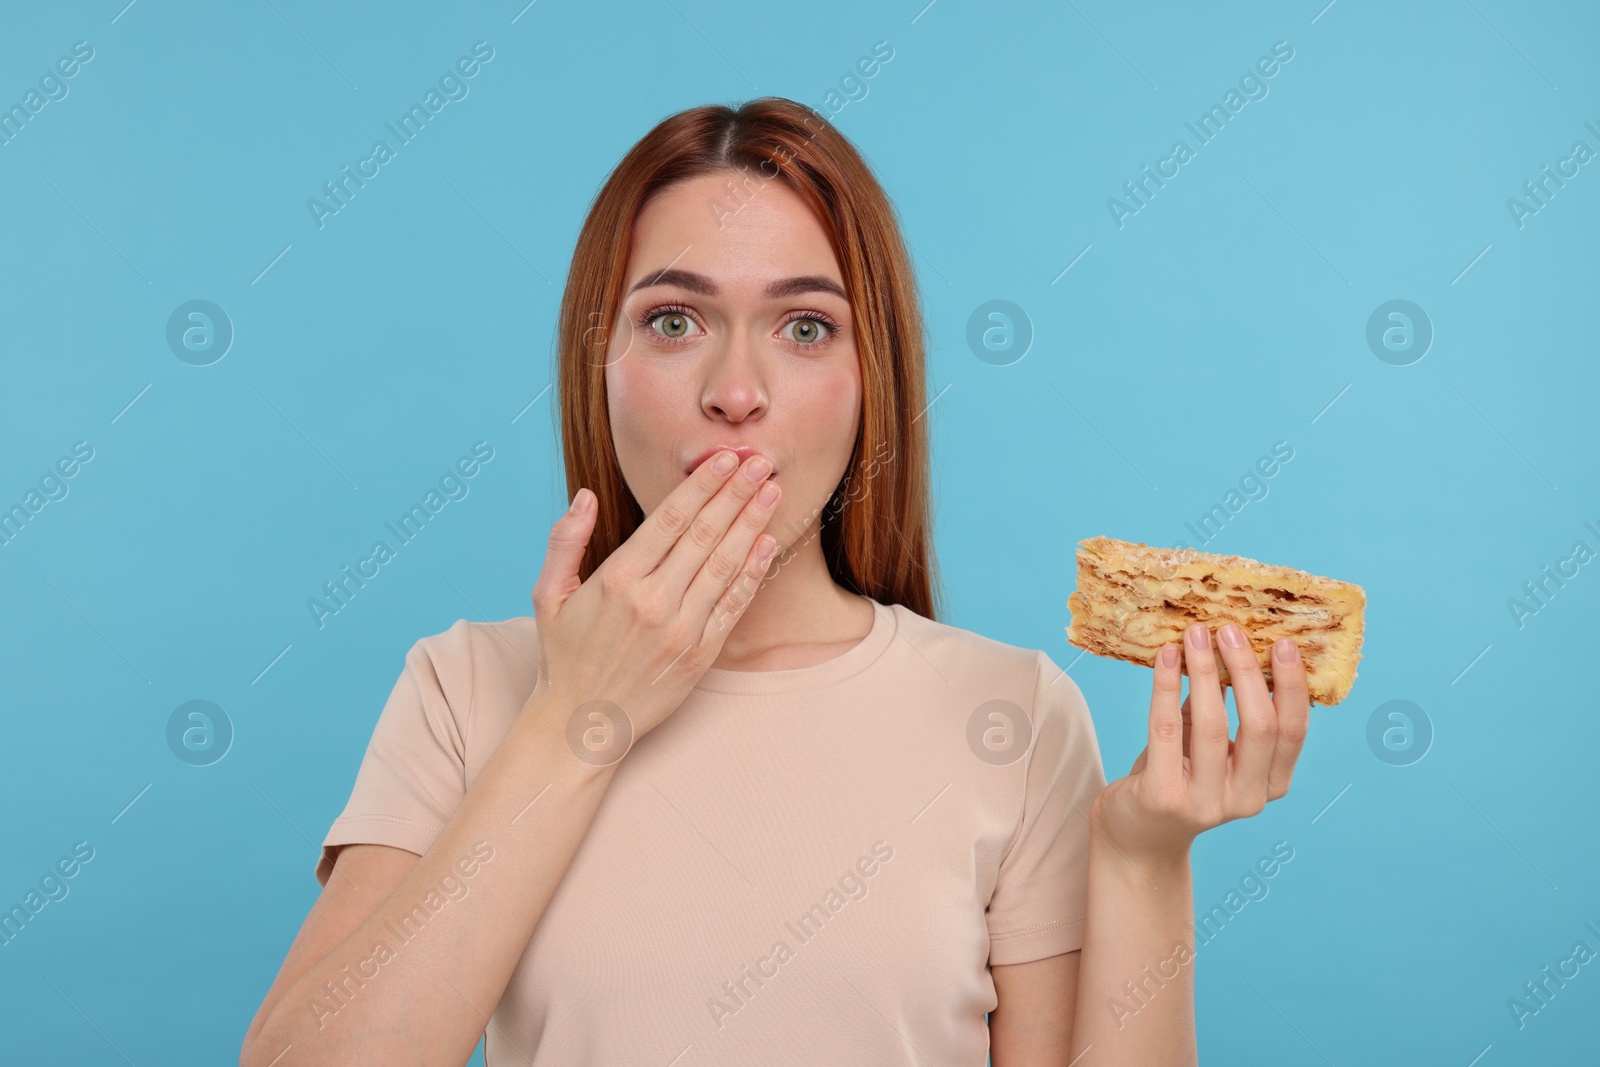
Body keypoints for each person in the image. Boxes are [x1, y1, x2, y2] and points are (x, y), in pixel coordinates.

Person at [240, 97, 1311, 1067]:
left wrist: (1142, 857)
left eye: (805, 327)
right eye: (673, 320)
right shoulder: (465, 687)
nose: (736, 391)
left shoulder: (1015, 714)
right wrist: (577, 717)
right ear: (596, 363)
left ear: (869, 379)